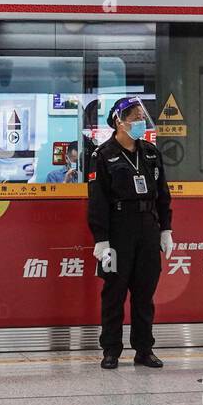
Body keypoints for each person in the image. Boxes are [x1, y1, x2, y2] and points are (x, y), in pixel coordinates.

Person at [86, 96, 175, 369]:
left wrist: (166, 230)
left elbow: (163, 194)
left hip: (148, 227)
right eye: (134, 117)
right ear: (119, 121)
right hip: (118, 228)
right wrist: (101, 239)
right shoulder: (102, 156)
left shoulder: (150, 152)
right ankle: (111, 350)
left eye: (141, 117)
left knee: (144, 292)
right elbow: (97, 201)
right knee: (114, 292)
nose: (140, 122)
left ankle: (144, 349)